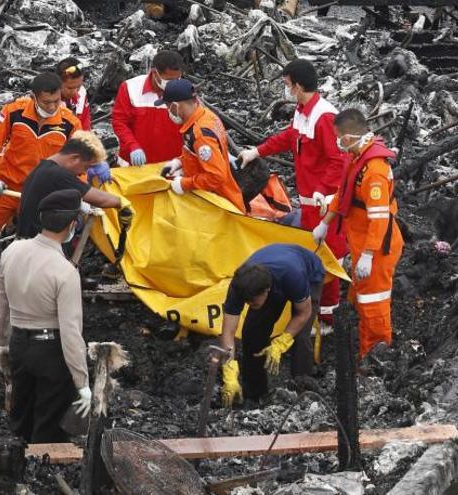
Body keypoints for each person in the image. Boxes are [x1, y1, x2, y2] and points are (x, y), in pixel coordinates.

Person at [237, 59, 348, 332]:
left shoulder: (325, 117)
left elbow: (338, 160)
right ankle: (314, 309)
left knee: (329, 257)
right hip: (311, 203)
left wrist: (323, 189)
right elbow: (289, 138)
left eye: (287, 85)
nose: (286, 90)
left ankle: (326, 320)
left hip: (326, 205)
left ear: (298, 86)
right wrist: (258, 151)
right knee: (314, 254)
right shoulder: (302, 112)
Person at [0, 189, 92, 443]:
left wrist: (3, 342)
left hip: (18, 343)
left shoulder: (11, 251)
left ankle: (15, 469)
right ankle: (41, 475)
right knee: (48, 425)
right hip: (50, 351)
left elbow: (0, 305)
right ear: (72, 225)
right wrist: (82, 382)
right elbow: (71, 333)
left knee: (20, 416)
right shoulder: (65, 272)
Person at [313, 109, 403, 358]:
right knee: (359, 297)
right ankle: (360, 340)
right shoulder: (356, 159)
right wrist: (325, 223)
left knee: (373, 302)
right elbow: (344, 194)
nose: (336, 142)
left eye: (338, 137)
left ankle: (375, 355)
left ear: (350, 137)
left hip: (377, 248)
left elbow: (379, 218)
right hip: (361, 241)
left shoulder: (374, 171)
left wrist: (369, 255)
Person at [0, 72, 81, 243]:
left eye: (56, 101)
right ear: (33, 97)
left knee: (36, 244)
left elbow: (78, 162)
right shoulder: (14, 112)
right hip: (5, 187)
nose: (52, 107)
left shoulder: (70, 124)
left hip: (41, 194)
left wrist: (79, 193)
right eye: (46, 102)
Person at [216, 244, 323, 407]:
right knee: (252, 334)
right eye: (246, 301)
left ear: (267, 291)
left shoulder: (293, 276)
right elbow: (228, 333)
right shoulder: (239, 286)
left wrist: (282, 341)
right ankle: (254, 394)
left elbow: (303, 313)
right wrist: (229, 370)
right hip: (273, 275)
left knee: (300, 337)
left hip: (309, 273)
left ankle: (303, 393)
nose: (249, 304)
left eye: (253, 301)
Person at [15, 130, 128, 239]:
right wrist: (122, 203)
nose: (83, 173)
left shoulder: (43, 166)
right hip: (39, 244)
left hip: (26, 239)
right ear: (75, 159)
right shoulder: (58, 175)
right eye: (86, 167)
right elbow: (101, 200)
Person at [157, 79, 246, 213]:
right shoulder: (206, 116)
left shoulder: (201, 134)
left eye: (168, 106)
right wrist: (179, 162)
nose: (168, 111)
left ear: (176, 106)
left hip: (217, 203)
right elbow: (197, 153)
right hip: (212, 196)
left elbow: (216, 176)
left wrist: (184, 184)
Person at [111, 49, 184, 166]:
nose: (175, 84)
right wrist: (132, 145)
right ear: (155, 73)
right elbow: (119, 122)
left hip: (171, 165)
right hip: (136, 164)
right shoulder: (130, 88)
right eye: (170, 80)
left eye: (178, 79)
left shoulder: (184, 90)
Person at [56, 57, 91, 131]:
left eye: (78, 86)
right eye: (70, 88)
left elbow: (85, 124)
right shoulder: (48, 101)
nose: (75, 92)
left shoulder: (81, 93)